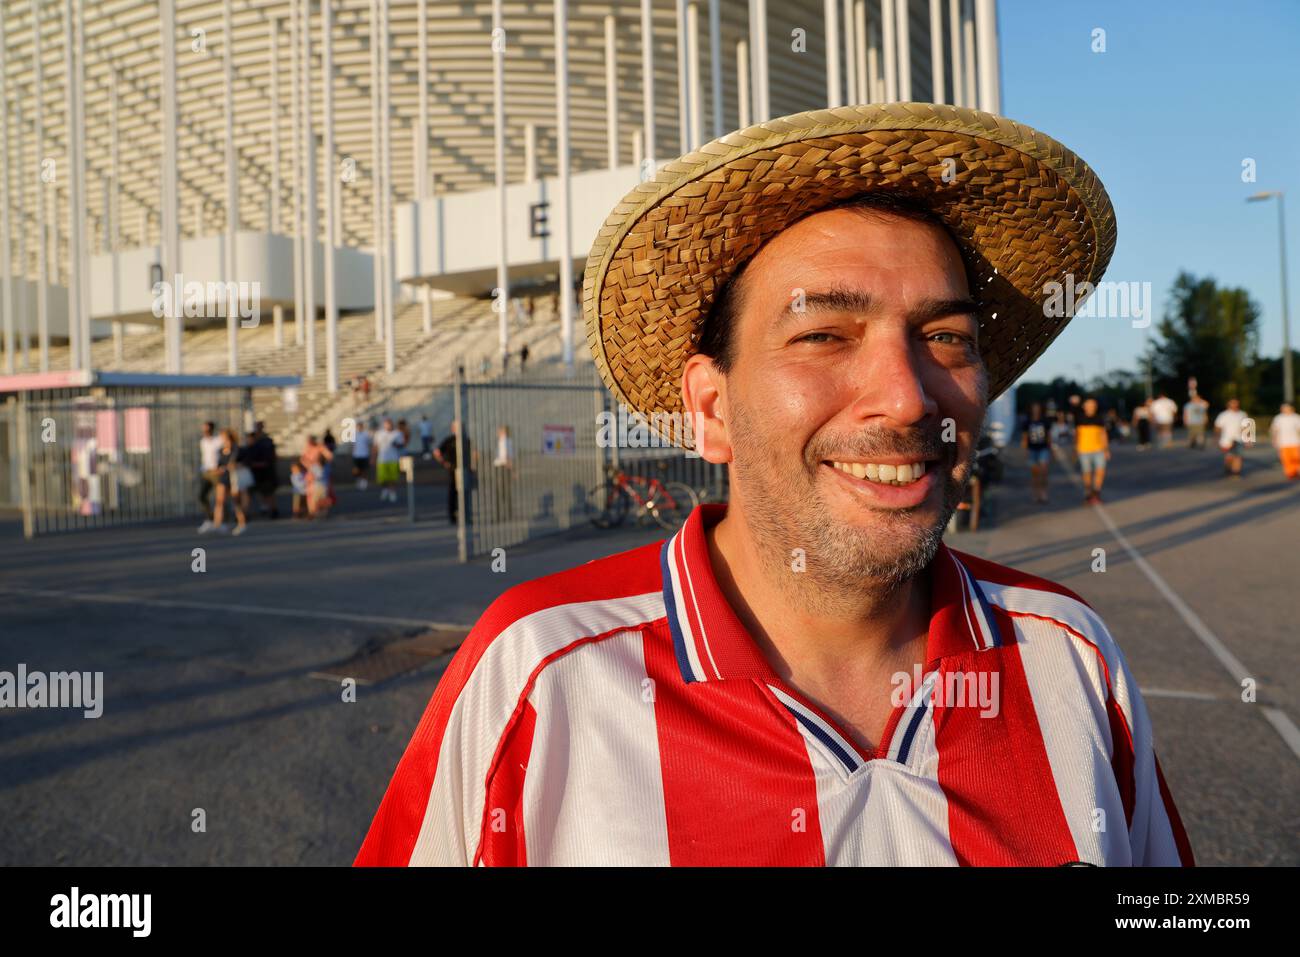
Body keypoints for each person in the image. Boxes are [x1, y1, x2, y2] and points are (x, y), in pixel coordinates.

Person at [356, 105, 1190, 867]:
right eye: (824, 333)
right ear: (711, 408)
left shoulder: (1070, 655)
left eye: (944, 336)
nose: (906, 396)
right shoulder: (541, 675)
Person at [206, 428, 247, 536]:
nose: (222, 439)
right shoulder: (221, 450)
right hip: (223, 477)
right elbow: (219, 464)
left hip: (234, 477)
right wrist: (217, 470)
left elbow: (242, 463)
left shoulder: (236, 449)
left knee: (235, 501)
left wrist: (234, 466)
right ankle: (217, 523)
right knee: (219, 501)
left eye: (223, 437)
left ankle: (242, 524)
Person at [1075, 396, 1110, 504]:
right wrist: (1075, 449)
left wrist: (1106, 449)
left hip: (1098, 449)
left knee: (1100, 471)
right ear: (1084, 406)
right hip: (1084, 449)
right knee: (1087, 473)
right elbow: (1077, 434)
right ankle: (1088, 494)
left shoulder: (1099, 418)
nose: (1091, 407)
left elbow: (1103, 434)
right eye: (1089, 404)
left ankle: (1096, 492)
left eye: (1093, 405)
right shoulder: (1079, 418)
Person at [434, 421, 469, 524]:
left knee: (465, 492)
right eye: (457, 427)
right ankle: (452, 515)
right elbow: (437, 452)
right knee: (453, 493)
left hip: (465, 469)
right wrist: (444, 462)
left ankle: (465, 514)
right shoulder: (449, 440)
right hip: (453, 470)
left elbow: (473, 453)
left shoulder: (465, 440)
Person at [1021, 402, 1052, 504]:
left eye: (1038, 408)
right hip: (1032, 449)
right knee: (1035, 474)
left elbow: (1048, 436)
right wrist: (1025, 451)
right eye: (1034, 408)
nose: (1036, 410)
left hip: (1043, 448)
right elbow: (1025, 437)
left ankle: (1044, 493)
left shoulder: (1045, 421)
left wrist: (1050, 449)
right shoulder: (1027, 421)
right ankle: (1036, 493)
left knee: (1044, 471)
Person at [248, 421, 279, 519]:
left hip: (266, 470)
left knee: (269, 491)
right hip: (257, 471)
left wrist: (264, 463)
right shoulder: (254, 440)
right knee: (260, 491)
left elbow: (271, 457)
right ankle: (265, 508)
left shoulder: (267, 441)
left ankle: (273, 510)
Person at [196, 421, 224, 531]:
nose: (205, 431)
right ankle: (209, 519)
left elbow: (224, 454)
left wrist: (220, 467)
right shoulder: (203, 441)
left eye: (207, 429)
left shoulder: (218, 441)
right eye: (204, 429)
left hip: (216, 472)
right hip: (206, 472)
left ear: (212, 429)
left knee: (220, 498)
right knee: (202, 495)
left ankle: (222, 521)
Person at [1214, 398, 1250, 478]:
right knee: (1229, 457)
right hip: (1227, 440)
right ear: (1228, 405)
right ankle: (1227, 468)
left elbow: (1247, 427)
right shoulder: (1223, 415)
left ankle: (1236, 472)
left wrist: (1248, 440)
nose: (1234, 405)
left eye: (1236, 403)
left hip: (1239, 439)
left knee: (1238, 456)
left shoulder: (1242, 414)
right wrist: (1217, 438)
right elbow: (1218, 427)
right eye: (1232, 403)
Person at [373, 418, 405, 503]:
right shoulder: (379, 434)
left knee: (393, 478)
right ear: (384, 425)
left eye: (390, 424)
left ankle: (392, 492)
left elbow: (401, 445)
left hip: (393, 459)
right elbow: (375, 447)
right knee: (382, 478)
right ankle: (385, 489)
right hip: (382, 459)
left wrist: (396, 444)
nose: (388, 426)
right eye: (386, 424)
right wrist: (373, 458)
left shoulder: (397, 434)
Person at [1269, 402, 1300, 480]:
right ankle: (1290, 473)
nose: (1283, 409)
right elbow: (1274, 430)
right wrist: (1274, 440)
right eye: (1282, 408)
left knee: (1297, 458)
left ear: (1291, 408)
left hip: (1295, 442)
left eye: (1285, 407)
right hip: (1283, 442)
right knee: (1286, 459)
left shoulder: (1296, 417)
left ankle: (1296, 470)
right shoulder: (1278, 418)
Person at [491, 424, 514, 520]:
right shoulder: (507, 441)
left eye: (500, 430)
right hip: (504, 467)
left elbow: (506, 457)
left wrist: (511, 469)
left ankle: (498, 515)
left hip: (502, 468)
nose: (498, 432)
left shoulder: (504, 441)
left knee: (500, 492)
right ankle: (508, 514)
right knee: (505, 492)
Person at [352, 420, 373, 491]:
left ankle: (364, 483)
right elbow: (353, 446)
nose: (359, 428)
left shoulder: (366, 434)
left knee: (364, 470)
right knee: (356, 470)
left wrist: (371, 455)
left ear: (362, 427)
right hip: (356, 455)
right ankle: (359, 480)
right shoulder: (355, 435)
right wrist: (353, 454)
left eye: (360, 426)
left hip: (365, 455)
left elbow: (370, 445)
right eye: (358, 426)